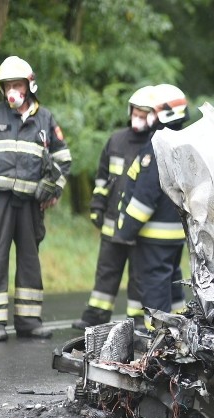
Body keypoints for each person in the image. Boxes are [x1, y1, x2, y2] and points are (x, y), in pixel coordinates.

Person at [0, 56, 72, 341]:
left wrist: (51, 187)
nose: (12, 92)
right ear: (1, 88)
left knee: (30, 260)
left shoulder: (45, 119)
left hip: (31, 203)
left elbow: (63, 160)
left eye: (17, 85)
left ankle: (29, 321)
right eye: (7, 86)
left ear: (29, 86)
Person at [72, 86, 157, 329]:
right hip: (112, 223)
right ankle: (95, 316)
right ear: (129, 112)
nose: (139, 118)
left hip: (141, 228)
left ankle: (138, 320)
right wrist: (97, 205)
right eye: (136, 113)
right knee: (106, 272)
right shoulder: (116, 140)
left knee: (139, 278)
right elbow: (102, 178)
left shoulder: (156, 143)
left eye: (145, 113)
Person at [114, 84, 189, 329]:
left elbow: (144, 197)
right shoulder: (183, 144)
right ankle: (181, 333)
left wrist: (126, 230)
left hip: (154, 236)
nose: (147, 117)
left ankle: (159, 342)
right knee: (172, 284)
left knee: (155, 289)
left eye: (152, 112)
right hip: (176, 235)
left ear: (165, 114)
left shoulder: (157, 146)